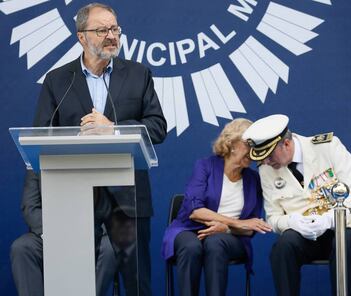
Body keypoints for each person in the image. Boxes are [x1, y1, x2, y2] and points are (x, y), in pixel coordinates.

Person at [10, 3, 167, 296]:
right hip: (73, 203)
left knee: (136, 285)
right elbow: (38, 145)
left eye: (115, 29)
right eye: (102, 30)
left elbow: (157, 127)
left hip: (126, 206)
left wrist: (114, 129)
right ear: (81, 37)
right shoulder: (59, 81)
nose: (111, 36)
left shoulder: (138, 74)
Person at [242, 114, 351, 296]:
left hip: (344, 227)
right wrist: (293, 222)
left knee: (345, 242)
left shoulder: (328, 147)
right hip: (307, 236)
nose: (266, 162)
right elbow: (273, 217)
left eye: (269, 156)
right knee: (282, 247)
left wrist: (330, 219)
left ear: (286, 144)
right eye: (262, 158)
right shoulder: (267, 169)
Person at [161, 118, 272, 296]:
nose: (253, 151)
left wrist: (227, 229)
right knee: (191, 247)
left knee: (215, 243)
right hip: (190, 229)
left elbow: (250, 228)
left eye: (255, 146)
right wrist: (234, 223)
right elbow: (195, 212)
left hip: (229, 237)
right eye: (248, 145)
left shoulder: (253, 179)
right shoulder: (205, 166)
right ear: (232, 144)